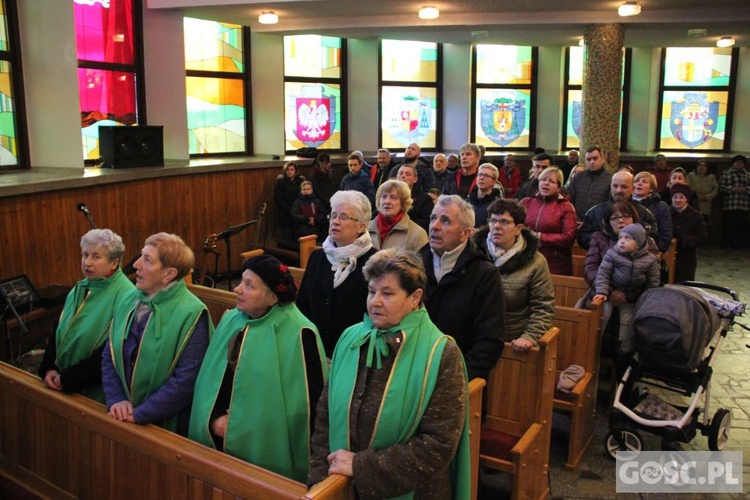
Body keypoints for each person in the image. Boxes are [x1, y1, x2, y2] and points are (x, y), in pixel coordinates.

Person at [307, 249, 470, 499]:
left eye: (387, 293)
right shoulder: (352, 339)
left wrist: (361, 467)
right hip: (339, 485)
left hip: (414, 491)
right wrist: (320, 479)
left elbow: (439, 444)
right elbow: (325, 415)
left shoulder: (441, 353)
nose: (375, 302)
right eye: (372, 292)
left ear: (415, 298)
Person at [189, 255, 327, 482]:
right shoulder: (232, 319)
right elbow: (211, 380)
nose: (237, 289)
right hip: (215, 440)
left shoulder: (300, 333)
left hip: (265, 456)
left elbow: (306, 409)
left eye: (249, 285)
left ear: (272, 296)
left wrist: (235, 427)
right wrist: (213, 418)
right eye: (241, 281)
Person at [102, 232, 211, 435]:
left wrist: (141, 414)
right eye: (141, 256)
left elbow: (186, 381)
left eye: (148, 260)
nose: (136, 265)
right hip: (121, 411)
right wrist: (116, 398)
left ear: (168, 274)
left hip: (167, 426)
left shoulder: (192, 313)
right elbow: (110, 353)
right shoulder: (128, 300)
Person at [39, 229, 135, 403]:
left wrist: (69, 379)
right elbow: (59, 329)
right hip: (61, 382)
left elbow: (114, 353)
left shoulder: (127, 296)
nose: (87, 262)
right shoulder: (80, 287)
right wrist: (49, 367)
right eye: (85, 255)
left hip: (96, 395)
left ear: (114, 263)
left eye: (96, 257)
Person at [419, 195, 505, 382]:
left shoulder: (484, 273)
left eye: (445, 221)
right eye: (433, 218)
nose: (435, 226)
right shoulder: (414, 264)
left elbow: (489, 340)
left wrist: (455, 378)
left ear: (465, 233)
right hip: (413, 374)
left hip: (459, 379)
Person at [297, 190, 377, 356]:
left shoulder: (375, 262)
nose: (335, 221)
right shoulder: (318, 257)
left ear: (361, 226)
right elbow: (302, 306)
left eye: (344, 217)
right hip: (315, 352)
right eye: (333, 216)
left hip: (355, 353)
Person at [473, 199, 555, 352]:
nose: (497, 226)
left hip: (512, 340)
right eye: (493, 220)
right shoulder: (473, 253)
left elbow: (543, 307)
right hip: (474, 338)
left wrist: (529, 336)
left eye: (504, 222)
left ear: (518, 228)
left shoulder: (536, 262)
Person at [593, 223, 660, 355]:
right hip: (610, 292)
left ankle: (624, 351)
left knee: (628, 322)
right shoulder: (612, 254)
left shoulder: (650, 260)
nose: (622, 241)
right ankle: (594, 346)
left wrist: (646, 301)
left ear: (639, 242)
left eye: (628, 238)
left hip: (632, 296)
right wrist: (602, 291)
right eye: (620, 238)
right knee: (602, 316)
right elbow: (603, 273)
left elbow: (653, 283)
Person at [583, 201, 658, 290]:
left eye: (626, 216)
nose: (621, 220)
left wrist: (631, 296)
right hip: (604, 293)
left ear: (634, 218)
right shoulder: (599, 238)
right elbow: (590, 267)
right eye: (615, 218)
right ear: (608, 222)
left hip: (638, 296)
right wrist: (609, 291)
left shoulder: (647, 241)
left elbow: (653, 275)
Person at [577, 170, 659, 250]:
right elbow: (583, 237)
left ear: (633, 189)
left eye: (624, 186)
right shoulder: (594, 212)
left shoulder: (644, 214)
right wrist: (604, 243)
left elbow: (653, 238)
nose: (619, 190)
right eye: (615, 186)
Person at [519, 166, 577, 275]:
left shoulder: (565, 207)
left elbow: (568, 237)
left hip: (554, 264)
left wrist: (538, 236)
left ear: (559, 187)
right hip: (525, 259)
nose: (546, 183)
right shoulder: (526, 202)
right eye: (543, 180)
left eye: (551, 181)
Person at [368, 179, 429, 251]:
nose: (387, 201)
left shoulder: (418, 234)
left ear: (403, 203)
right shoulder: (365, 229)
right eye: (384, 197)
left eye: (393, 197)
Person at [670, 184, 707, 283]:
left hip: (687, 259)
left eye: (681, 197)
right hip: (668, 257)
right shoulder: (667, 213)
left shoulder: (696, 216)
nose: (678, 200)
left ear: (687, 199)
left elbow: (701, 237)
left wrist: (683, 239)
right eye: (675, 197)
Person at [567, 146, 614, 222]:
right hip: (577, 220)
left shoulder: (610, 179)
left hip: (599, 222)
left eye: (595, 158)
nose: (592, 162)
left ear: (602, 159)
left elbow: (610, 204)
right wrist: (574, 216)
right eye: (589, 159)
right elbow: (569, 200)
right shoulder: (578, 177)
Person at [632, 171, 673, 253]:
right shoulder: (626, 204)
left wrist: (656, 250)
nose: (639, 184)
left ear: (651, 188)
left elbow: (665, 234)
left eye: (644, 182)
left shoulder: (661, 206)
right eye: (636, 181)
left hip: (650, 252)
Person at [719, 154, 750, 249]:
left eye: (741, 163)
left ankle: (739, 244)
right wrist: (732, 189)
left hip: (744, 205)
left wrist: (746, 189)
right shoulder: (726, 173)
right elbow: (721, 187)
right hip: (730, 204)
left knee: (741, 226)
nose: (738, 164)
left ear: (744, 164)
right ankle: (727, 244)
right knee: (728, 226)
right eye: (737, 162)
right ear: (733, 163)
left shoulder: (748, 175)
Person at [274, 161, 305, 243]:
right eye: (288, 170)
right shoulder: (281, 182)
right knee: (288, 239)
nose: (290, 172)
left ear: (295, 171)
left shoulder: (300, 182)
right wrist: (289, 209)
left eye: (292, 170)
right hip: (286, 214)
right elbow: (278, 199)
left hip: (299, 214)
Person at [396, 163, 434, 231]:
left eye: (408, 174)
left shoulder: (425, 199)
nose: (403, 176)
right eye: (401, 173)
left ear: (415, 179)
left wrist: (403, 223)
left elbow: (427, 221)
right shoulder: (388, 197)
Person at [467, 163, 503, 228]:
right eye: (480, 174)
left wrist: (479, 233)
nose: (482, 178)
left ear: (494, 182)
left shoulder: (498, 205)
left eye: (486, 175)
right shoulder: (467, 202)